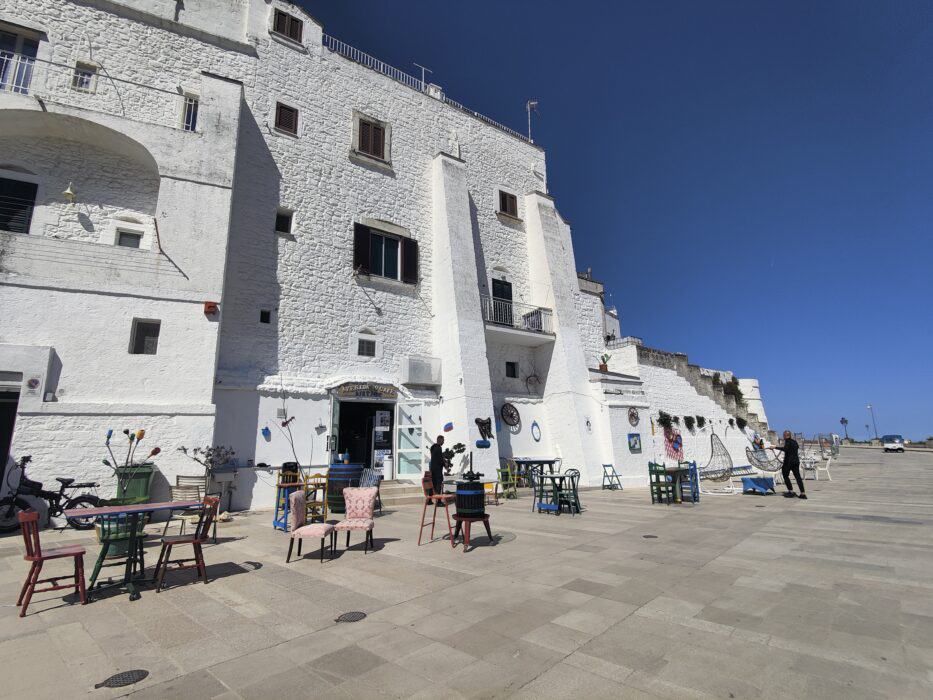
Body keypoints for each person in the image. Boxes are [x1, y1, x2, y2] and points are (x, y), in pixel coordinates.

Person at [773, 430, 807, 499]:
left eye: (784, 435)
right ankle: (803, 493)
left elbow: (785, 449)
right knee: (798, 477)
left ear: (786, 435)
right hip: (796, 462)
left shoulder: (788, 442)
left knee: (785, 475)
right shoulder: (794, 442)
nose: (783, 436)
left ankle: (791, 492)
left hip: (788, 462)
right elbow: (795, 448)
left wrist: (775, 447)